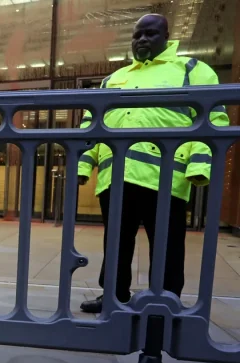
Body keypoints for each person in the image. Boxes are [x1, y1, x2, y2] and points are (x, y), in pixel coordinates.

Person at [77, 13, 230, 314]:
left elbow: (212, 119)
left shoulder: (192, 70)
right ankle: (113, 296)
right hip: (116, 175)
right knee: (116, 242)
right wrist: (83, 165)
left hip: (165, 177)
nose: (142, 39)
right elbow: (91, 124)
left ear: (167, 37)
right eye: (137, 35)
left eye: (150, 33)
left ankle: (165, 299)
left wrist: (199, 166)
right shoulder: (113, 78)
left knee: (167, 245)